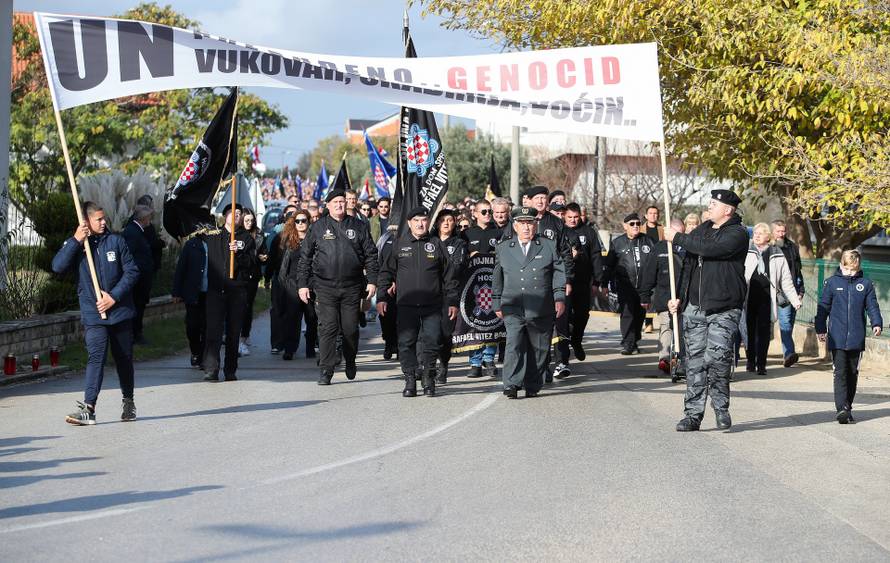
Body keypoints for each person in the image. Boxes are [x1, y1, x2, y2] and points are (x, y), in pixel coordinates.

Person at [666, 189, 749, 431]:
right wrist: (678, 297)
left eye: (714, 204)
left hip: (724, 308)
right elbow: (689, 266)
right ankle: (692, 415)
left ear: (728, 210)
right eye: (710, 203)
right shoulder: (702, 230)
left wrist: (678, 237)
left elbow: (712, 249)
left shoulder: (737, 234)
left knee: (718, 358)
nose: (709, 207)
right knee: (694, 363)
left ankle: (721, 408)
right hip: (695, 308)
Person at [52, 202, 139, 425]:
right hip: (93, 314)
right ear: (87, 222)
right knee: (95, 358)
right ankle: (89, 408)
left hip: (119, 312)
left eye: (104, 218)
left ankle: (128, 400)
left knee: (124, 359)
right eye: (98, 219)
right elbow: (58, 267)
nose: (103, 222)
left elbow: (132, 272)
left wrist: (114, 296)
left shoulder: (116, 241)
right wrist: (75, 240)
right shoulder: (79, 245)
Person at [296, 189, 378, 385]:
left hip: (351, 287)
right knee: (328, 328)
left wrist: (373, 280)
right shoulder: (317, 227)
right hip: (324, 287)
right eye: (336, 202)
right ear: (328, 205)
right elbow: (305, 258)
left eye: (342, 202)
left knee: (350, 329)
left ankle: (350, 359)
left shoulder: (358, 226)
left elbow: (371, 255)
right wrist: (302, 285)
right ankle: (326, 369)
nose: (340, 205)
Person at [378, 207, 459, 397]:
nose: (421, 224)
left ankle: (429, 379)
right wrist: (382, 297)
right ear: (409, 223)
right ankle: (410, 380)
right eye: (417, 221)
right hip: (406, 305)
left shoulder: (436, 244)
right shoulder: (399, 244)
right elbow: (386, 273)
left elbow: (449, 276)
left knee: (432, 343)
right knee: (406, 343)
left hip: (432, 305)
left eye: (424, 220)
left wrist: (453, 301)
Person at [492, 206, 566, 399]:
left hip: (541, 306)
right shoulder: (504, 248)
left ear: (536, 224)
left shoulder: (548, 245)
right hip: (513, 304)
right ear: (514, 226)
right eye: (522, 224)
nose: (526, 228)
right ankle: (512, 384)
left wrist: (559, 297)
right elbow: (497, 277)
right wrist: (496, 301)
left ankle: (533, 383)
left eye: (530, 223)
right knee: (514, 343)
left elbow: (558, 273)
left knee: (540, 348)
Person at [815, 250, 883, 424]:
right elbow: (823, 307)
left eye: (854, 270)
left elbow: (872, 306)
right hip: (837, 337)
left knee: (852, 373)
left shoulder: (866, 284)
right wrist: (820, 329)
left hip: (856, 337)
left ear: (858, 267)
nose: (850, 273)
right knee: (840, 373)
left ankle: (848, 406)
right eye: (847, 269)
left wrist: (876, 323)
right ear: (841, 265)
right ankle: (841, 409)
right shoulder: (831, 283)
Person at [202, 203, 258, 382]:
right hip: (216, 291)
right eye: (233, 213)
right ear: (225, 216)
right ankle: (211, 369)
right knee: (213, 331)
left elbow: (251, 262)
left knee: (234, 332)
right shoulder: (214, 236)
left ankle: (230, 369)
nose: (236, 216)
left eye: (239, 213)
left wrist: (239, 253)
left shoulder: (246, 238)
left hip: (237, 290)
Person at [525, 185, 575, 380]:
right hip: (528, 282)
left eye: (543, 198)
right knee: (533, 324)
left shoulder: (555, 222)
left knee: (556, 322)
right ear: (529, 200)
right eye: (536, 198)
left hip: (552, 281)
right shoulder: (523, 220)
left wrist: (567, 280)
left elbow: (565, 252)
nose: (540, 201)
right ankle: (537, 365)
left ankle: (558, 361)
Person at [743, 223, 802, 375]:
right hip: (749, 298)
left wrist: (795, 300)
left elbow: (786, 280)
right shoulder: (746, 251)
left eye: (761, 233)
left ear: (768, 237)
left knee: (763, 332)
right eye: (755, 233)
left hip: (767, 299)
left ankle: (761, 364)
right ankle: (751, 361)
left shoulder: (776, 253)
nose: (756, 235)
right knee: (749, 331)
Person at [603, 213, 656, 355]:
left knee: (640, 315)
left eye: (638, 223)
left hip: (644, 287)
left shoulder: (649, 241)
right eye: (632, 224)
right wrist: (603, 284)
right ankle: (628, 343)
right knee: (627, 314)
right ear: (625, 226)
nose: (636, 226)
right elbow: (609, 265)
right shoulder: (617, 243)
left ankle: (634, 341)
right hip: (625, 285)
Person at [639, 218, 686, 375]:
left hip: (685, 297)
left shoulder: (688, 249)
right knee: (667, 325)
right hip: (665, 296)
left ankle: (682, 358)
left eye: (681, 233)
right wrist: (644, 296)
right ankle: (665, 358)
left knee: (683, 328)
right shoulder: (659, 249)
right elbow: (649, 274)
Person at [559, 202, 603, 367]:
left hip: (583, 281)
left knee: (582, 314)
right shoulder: (560, 230)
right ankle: (562, 353)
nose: (572, 220)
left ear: (581, 216)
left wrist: (598, 280)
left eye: (575, 217)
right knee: (564, 316)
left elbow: (596, 256)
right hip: (563, 282)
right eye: (569, 217)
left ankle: (576, 340)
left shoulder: (589, 232)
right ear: (564, 216)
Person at [461, 198, 502, 377]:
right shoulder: (466, 234)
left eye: (489, 211)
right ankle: (474, 363)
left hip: (494, 287)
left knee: (492, 322)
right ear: (475, 213)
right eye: (483, 211)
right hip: (473, 289)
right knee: (475, 324)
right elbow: (459, 258)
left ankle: (489, 359)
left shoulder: (499, 233)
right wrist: (471, 255)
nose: (487, 215)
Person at [433, 208, 468, 383]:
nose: (446, 223)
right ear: (437, 222)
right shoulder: (430, 242)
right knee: (429, 333)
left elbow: (456, 268)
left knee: (445, 334)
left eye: (450, 220)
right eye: (443, 220)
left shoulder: (459, 244)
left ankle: (443, 365)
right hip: (430, 293)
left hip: (449, 293)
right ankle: (428, 366)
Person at [172, 224, 211, 369]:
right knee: (193, 326)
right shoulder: (191, 245)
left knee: (207, 326)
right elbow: (181, 268)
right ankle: (195, 351)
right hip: (193, 292)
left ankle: (204, 356)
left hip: (210, 293)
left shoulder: (215, 245)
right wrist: (176, 292)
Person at [277, 210, 314, 360]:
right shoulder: (288, 241)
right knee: (292, 318)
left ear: (308, 222)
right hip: (292, 284)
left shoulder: (315, 240)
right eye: (297, 221)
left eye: (303, 220)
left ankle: (310, 348)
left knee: (312, 317)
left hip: (311, 283)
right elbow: (283, 265)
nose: (300, 224)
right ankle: (289, 349)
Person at [771, 219, 805, 367]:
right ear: (772, 231)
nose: (781, 233)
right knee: (785, 322)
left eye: (783, 231)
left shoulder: (792, 247)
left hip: (793, 289)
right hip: (778, 291)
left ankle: (788, 352)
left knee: (789, 323)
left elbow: (798, 271)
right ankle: (789, 353)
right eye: (778, 231)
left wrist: (801, 289)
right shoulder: (769, 247)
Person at [121, 205, 154, 345]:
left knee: (139, 306)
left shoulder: (137, 231)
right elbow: (129, 255)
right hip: (138, 279)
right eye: (149, 217)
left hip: (141, 278)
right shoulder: (133, 232)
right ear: (144, 218)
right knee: (137, 306)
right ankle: (135, 334)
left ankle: (136, 333)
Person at [239, 208, 267, 356]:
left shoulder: (259, 234)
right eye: (246, 220)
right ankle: (233, 335)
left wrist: (263, 258)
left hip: (252, 276)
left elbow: (264, 252)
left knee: (247, 306)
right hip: (238, 276)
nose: (249, 223)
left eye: (251, 220)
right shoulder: (236, 234)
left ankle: (244, 337)